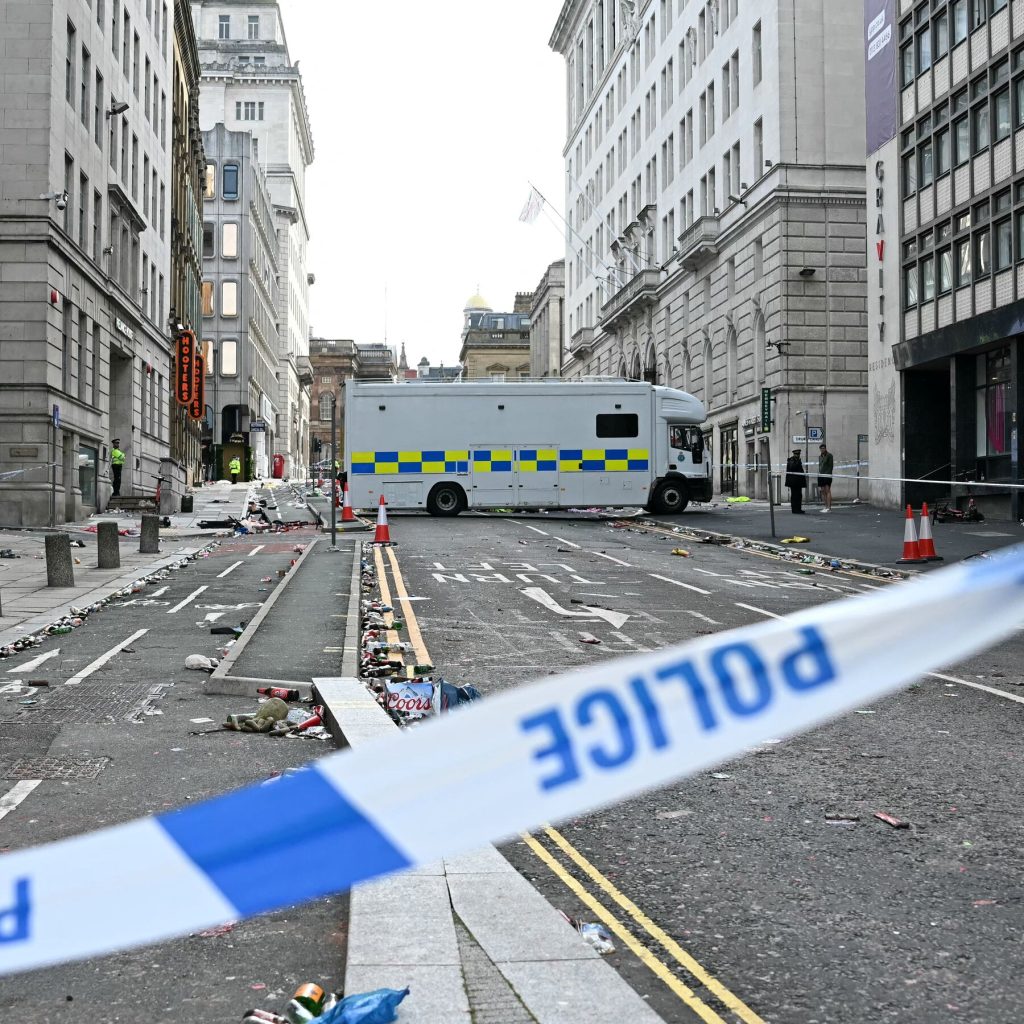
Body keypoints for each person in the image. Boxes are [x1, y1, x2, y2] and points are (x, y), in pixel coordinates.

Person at [785, 449, 805, 514]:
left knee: (799, 495)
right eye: (796, 454)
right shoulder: (792, 460)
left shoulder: (797, 460)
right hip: (794, 482)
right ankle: (795, 509)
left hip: (798, 481)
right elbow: (793, 467)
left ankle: (798, 509)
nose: (797, 455)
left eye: (798, 454)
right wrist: (798, 462)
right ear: (794, 454)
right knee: (795, 496)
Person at [817, 442, 834, 512]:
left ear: (825, 448)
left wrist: (828, 474)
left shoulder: (829, 455)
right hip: (821, 475)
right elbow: (820, 466)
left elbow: (831, 466)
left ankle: (829, 507)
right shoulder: (820, 456)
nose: (822, 450)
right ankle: (825, 506)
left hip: (827, 475)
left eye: (823, 448)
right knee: (823, 491)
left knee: (827, 490)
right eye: (821, 449)